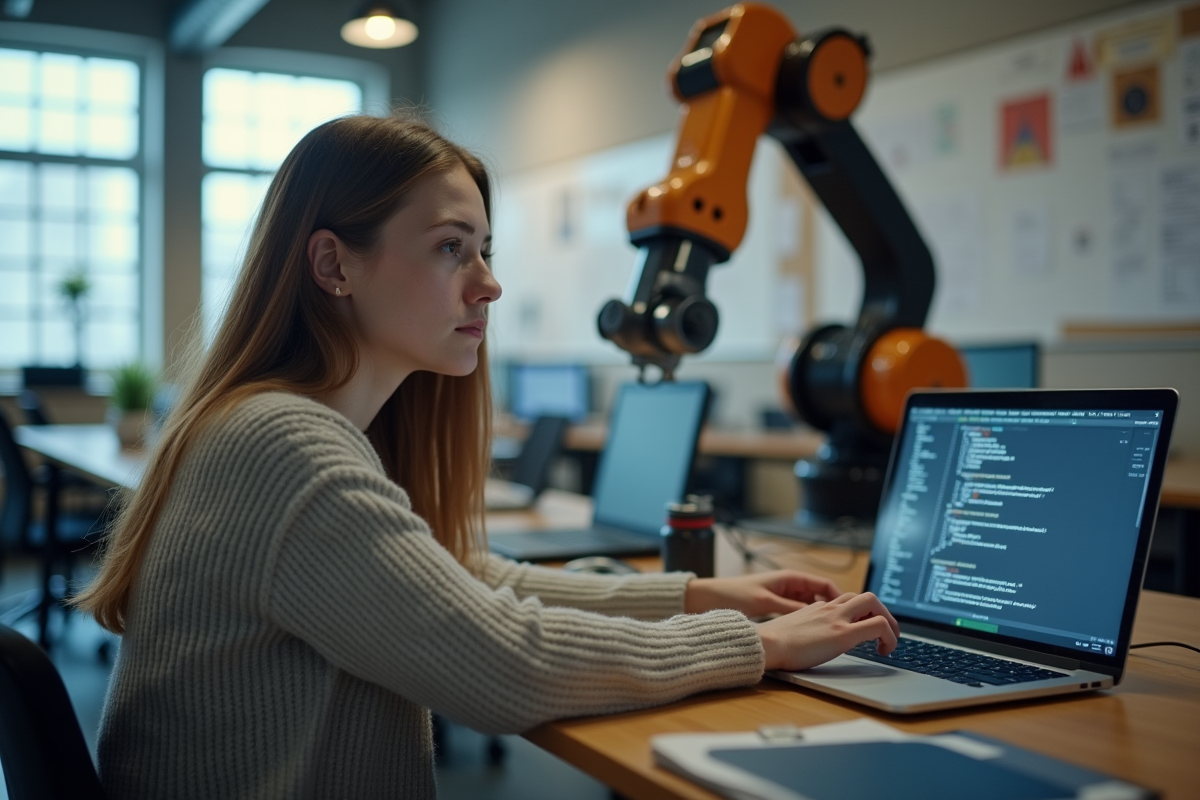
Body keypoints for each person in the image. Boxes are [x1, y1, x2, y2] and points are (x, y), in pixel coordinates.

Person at [74, 113, 899, 799]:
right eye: (449, 247)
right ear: (334, 264)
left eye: (486, 250)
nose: (488, 285)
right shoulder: (282, 445)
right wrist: (757, 645)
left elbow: (467, 584)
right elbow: (507, 665)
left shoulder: (279, 426)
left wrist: (698, 596)